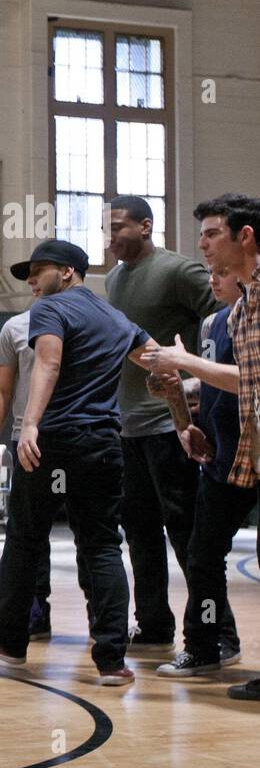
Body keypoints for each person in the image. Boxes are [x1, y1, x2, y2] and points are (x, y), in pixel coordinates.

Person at [0, 241, 194, 686]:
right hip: (104, 444)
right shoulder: (115, 317)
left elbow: (48, 364)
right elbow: (160, 365)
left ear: (69, 271)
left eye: (39, 270)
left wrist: (30, 423)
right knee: (102, 546)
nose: (31, 280)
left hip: (54, 441)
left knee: (24, 540)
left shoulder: (51, 310)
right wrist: (177, 395)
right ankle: (112, 660)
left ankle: (11, 642)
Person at [144, 194, 260, 697]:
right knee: (202, 550)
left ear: (246, 237)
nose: (203, 246)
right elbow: (232, 385)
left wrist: (186, 365)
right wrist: (180, 392)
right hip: (237, 453)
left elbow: (252, 381)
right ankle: (207, 644)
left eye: (212, 234)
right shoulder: (233, 316)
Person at [104, 195, 218, 652]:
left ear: (146, 227)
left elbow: (225, 324)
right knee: (140, 532)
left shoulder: (179, 271)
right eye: (106, 230)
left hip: (172, 426)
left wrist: (195, 385)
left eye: (118, 227)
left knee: (186, 531)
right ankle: (153, 624)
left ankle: (216, 632)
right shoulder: (113, 279)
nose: (110, 237)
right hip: (128, 427)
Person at [0, 303, 56, 640]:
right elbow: (2, 390)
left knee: (94, 538)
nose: (34, 282)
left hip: (75, 435)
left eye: (41, 272)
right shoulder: (14, 327)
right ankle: (35, 614)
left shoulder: (88, 319)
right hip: (25, 439)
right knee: (28, 531)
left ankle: (105, 633)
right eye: (31, 276)